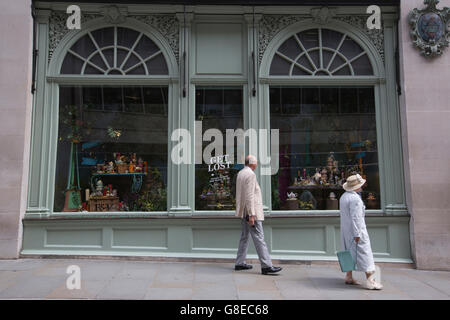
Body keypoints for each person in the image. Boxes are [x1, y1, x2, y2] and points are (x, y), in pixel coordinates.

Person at [234, 155, 282, 275]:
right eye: (256, 163)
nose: (256, 165)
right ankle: (266, 266)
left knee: (244, 237)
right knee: (259, 238)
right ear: (252, 163)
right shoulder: (250, 174)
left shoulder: (241, 173)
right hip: (251, 212)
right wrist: (251, 215)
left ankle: (239, 263)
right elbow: (250, 196)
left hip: (244, 211)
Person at [339, 174, 383, 290]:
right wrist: (357, 234)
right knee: (365, 253)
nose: (362, 187)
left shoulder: (344, 196)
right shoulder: (355, 199)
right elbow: (356, 218)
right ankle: (371, 281)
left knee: (348, 252)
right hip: (356, 231)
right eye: (360, 185)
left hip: (346, 230)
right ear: (356, 187)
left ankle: (348, 276)